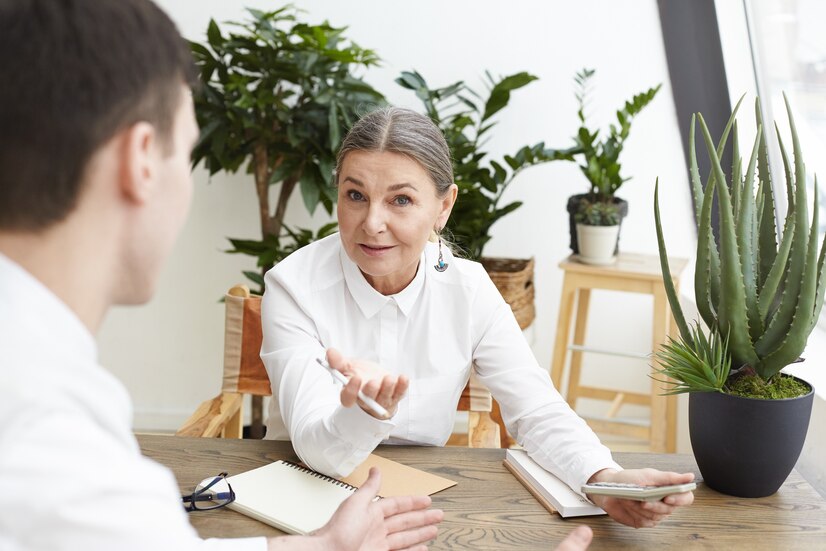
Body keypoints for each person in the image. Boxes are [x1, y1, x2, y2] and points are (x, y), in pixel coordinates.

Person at [0, 1, 444, 550]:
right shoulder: (51, 424)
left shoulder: (36, 380)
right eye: (185, 153)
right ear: (140, 160)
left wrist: (327, 545)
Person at [261, 106, 695, 530]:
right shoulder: (294, 286)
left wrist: (604, 479)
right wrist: (366, 411)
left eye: (401, 200)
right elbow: (315, 449)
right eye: (356, 195)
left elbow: (536, 409)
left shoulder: (469, 291)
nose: (373, 222)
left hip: (424, 506)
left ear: (443, 207)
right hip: (305, 504)